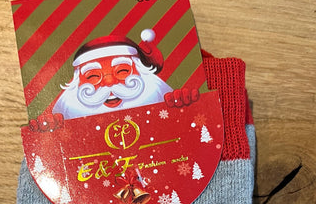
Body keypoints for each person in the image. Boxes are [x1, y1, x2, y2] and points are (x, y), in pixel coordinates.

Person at [29, 30, 199, 130]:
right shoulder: (67, 113)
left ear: (142, 72)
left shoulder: (162, 98)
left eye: (122, 71)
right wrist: (51, 130)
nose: (109, 83)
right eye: (93, 76)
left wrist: (183, 108)